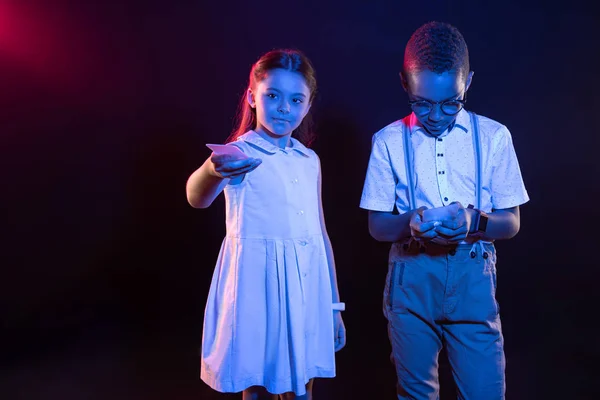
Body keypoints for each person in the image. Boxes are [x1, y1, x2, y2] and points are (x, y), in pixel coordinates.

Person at [360, 22, 529, 399]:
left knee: (484, 390)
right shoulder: (388, 141)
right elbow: (377, 225)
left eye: (451, 102)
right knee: (416, 391)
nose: (435, 115)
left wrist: (474, 220)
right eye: (422, 102)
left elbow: (512, 222)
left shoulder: (494, 137)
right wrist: (410, 223)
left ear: (467, 82)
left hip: (472, 276)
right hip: (412, 277)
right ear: (405, 83)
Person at [186, 49, 346, 400]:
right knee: (257, 383)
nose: (284, 107)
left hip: (305, 286)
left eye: (296, 99)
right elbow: (196, 196)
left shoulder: (308, 160)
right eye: (272, 95)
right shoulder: (238, 154)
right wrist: (212, 171)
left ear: (307, 105)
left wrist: (334, 305)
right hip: (256, 289)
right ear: (252, 97)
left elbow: (320, 233)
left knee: (302, 382)